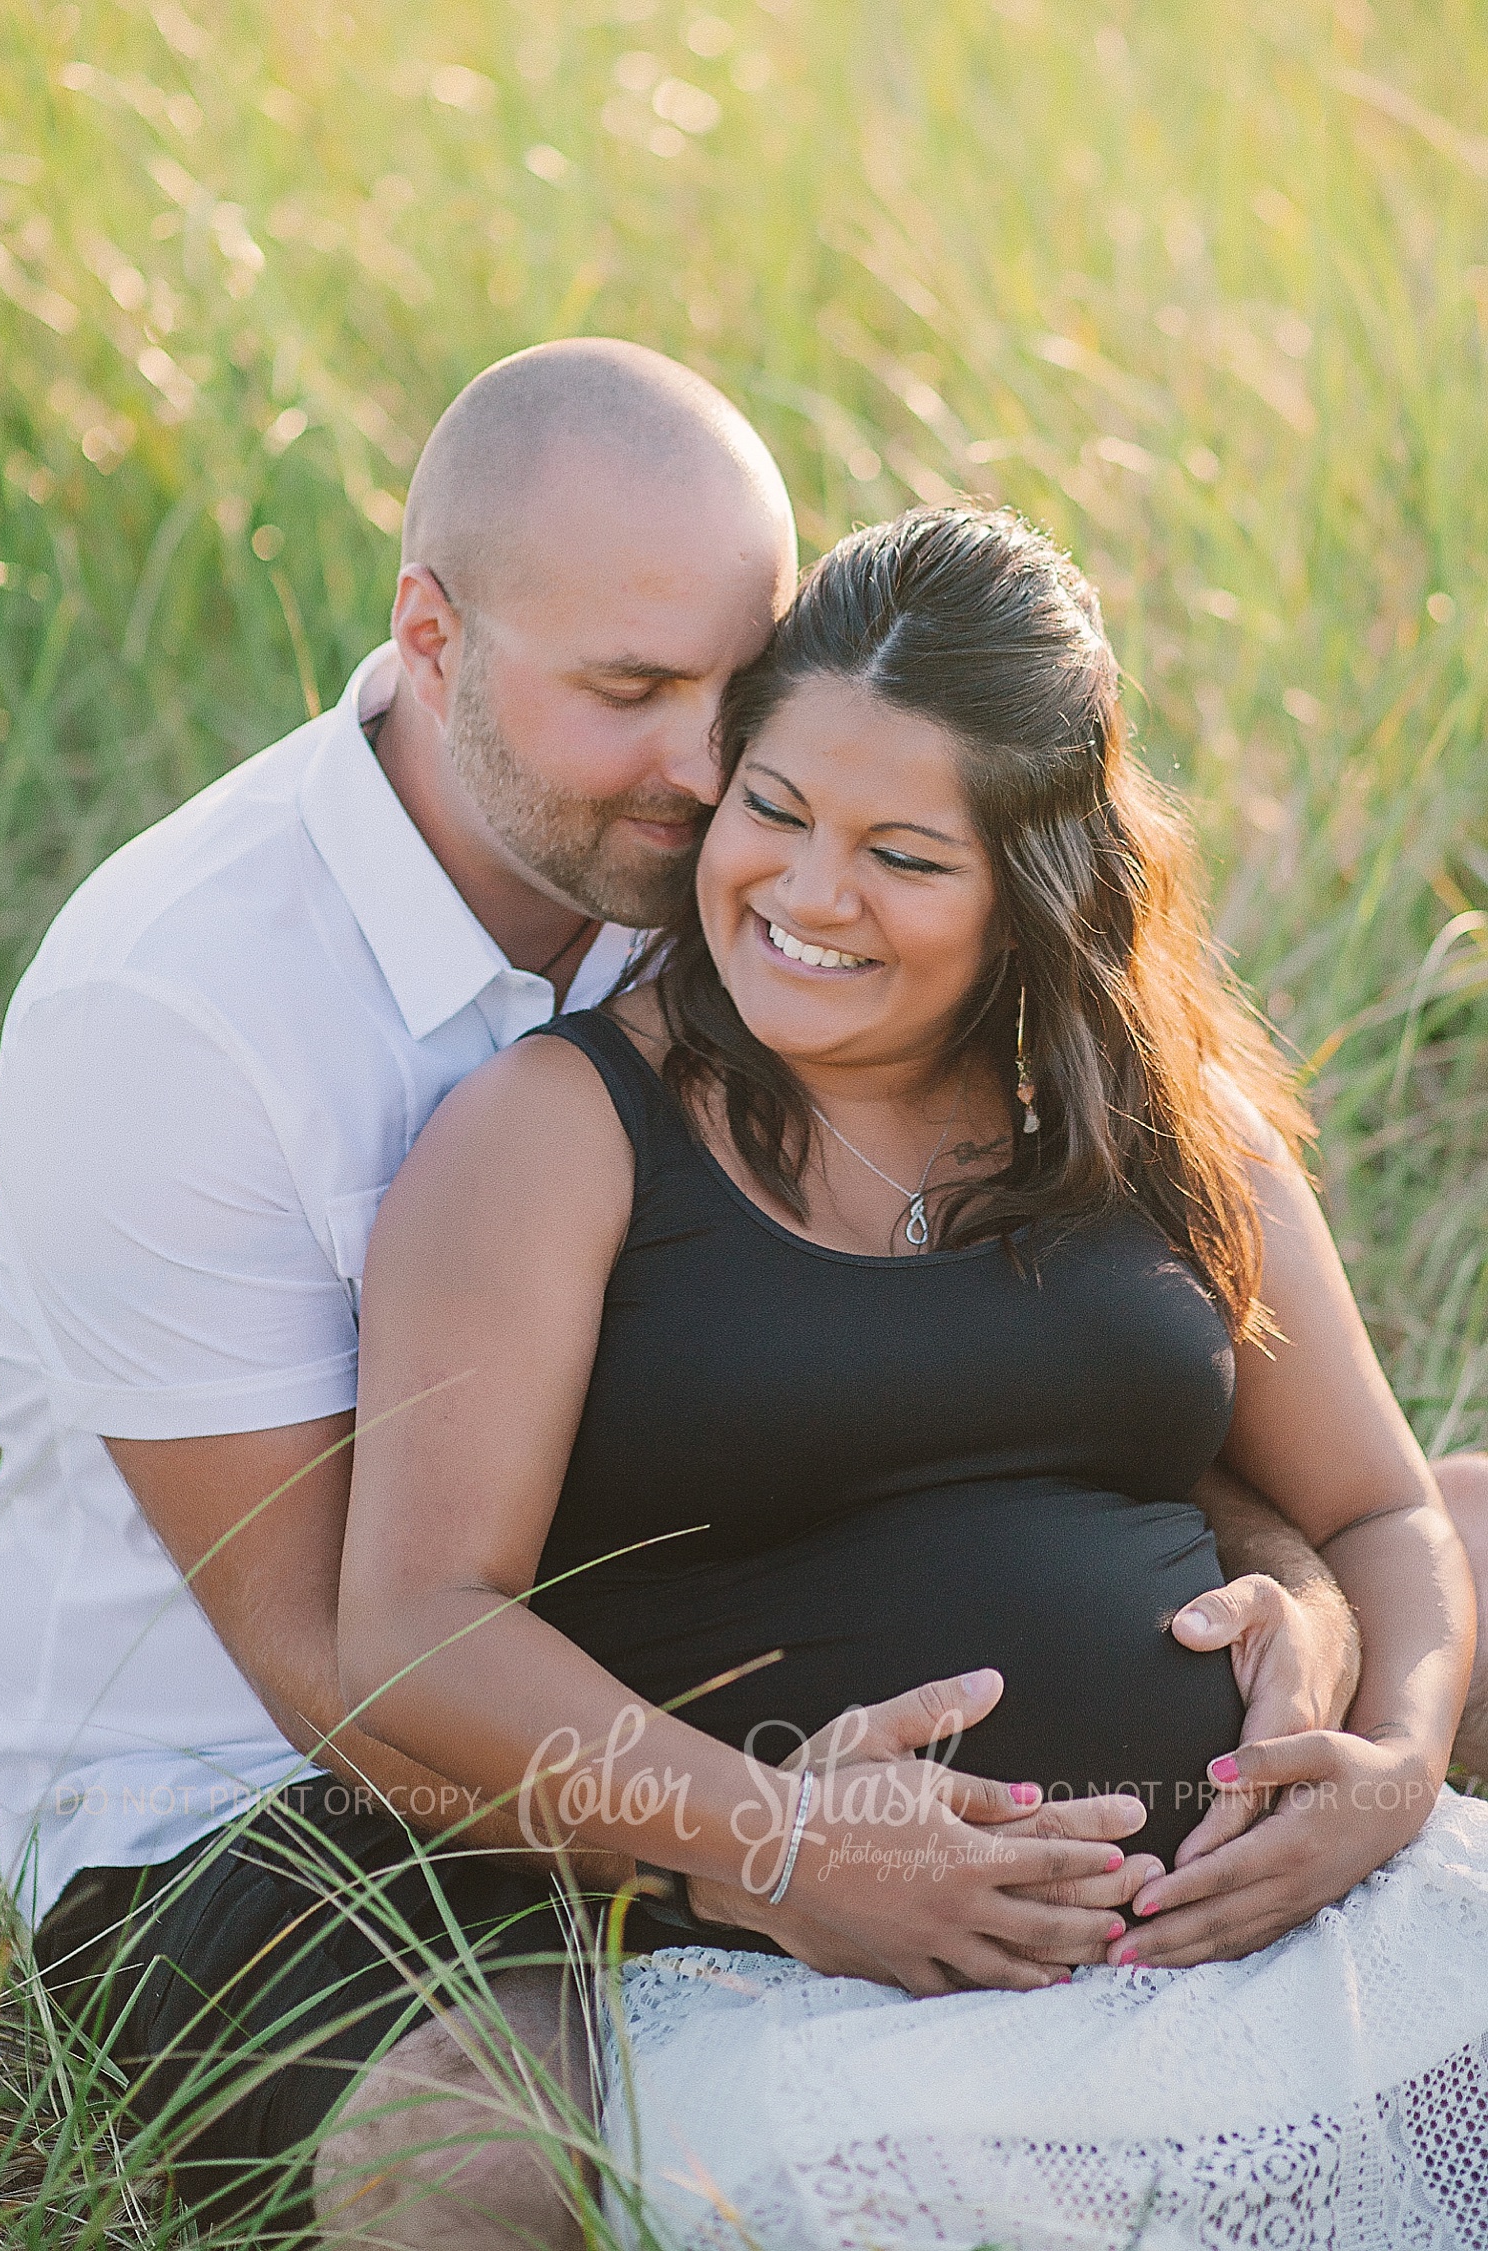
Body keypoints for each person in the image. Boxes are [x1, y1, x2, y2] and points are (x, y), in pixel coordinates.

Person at [0, 343, 1367, 2244]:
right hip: (277, 1804)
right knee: (467, 2153)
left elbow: (996, 1363)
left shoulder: (747, 903)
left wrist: (1277, 1584)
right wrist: (762, 1859)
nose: (711, 769)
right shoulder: (176, 1013)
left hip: (689, 1677)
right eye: (629, 695)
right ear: (432, 637)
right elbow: (345, 1672)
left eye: (738, 688)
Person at [338, 504, 1488, 2248]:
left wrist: (1390, 1767)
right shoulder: (553, 1137)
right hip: (816, 1990)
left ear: (1036, 887)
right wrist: (780, 1845)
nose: (809, 895)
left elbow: (1380, 1502)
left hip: (1286, 1931)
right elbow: (414, 1620)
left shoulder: (1166, 1128)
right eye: (776, 812)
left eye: (906, 855)